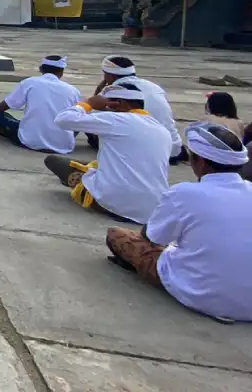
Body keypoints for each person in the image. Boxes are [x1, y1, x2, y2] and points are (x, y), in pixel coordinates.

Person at [105, 121, 252, 322]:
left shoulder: (184, 193)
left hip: (202, 295)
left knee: (117, 235)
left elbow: (151, 237)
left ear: (200, 162)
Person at [47, 82, 172, 222]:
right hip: (152, 209)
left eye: (107, 106)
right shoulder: (162, 130)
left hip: (116, 203)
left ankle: (82, 185)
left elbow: (62, 119)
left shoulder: (116, 119)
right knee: (96, 164)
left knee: (54, 161)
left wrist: (87, 104)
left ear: (118, 104)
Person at [93, 56, 181, 160]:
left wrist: (99, 89)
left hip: (145, 151)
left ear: (110, 76)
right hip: (172, 148)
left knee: (93, 128)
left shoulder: (115, 90)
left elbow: (93, 109)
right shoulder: (154, 86)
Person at [0, 55, 81, 154]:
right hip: (63, 145)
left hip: (30, 141)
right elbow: (79, 118)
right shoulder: (73, 91)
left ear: (41, 69)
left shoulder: (29, 82)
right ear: (61, 72)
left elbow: (4, 106)